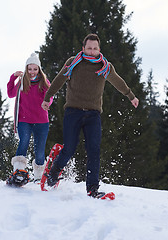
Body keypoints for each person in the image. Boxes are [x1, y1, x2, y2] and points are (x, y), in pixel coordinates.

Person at [41, 33, 139, 198]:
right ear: (83, 48)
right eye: (89, 48)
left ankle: (92, 188)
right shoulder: (73, 63)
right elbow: (59, 80)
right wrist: (47, 98)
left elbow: (117, 81)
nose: (92, 51)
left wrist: (131, 96)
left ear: (99, 49)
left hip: (93, 114)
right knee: (70, 148)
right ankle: (55, 170)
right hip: (73, 112)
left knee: (94, 150)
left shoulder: (105, 66)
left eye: (95, 48)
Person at [7, 53, 53, 181]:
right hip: (24, 120)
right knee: (24, 141)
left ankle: (39, 177)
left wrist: (47, 103)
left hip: (41, 121)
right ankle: (18, 171)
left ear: (39, 69)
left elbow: (50, 96)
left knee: (39, 151)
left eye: (35, 69)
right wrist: (13, 78)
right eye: (29, 69)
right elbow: (11, 94)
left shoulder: (44, 82)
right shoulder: (22, 82)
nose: (32, 72)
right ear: (26, 68)